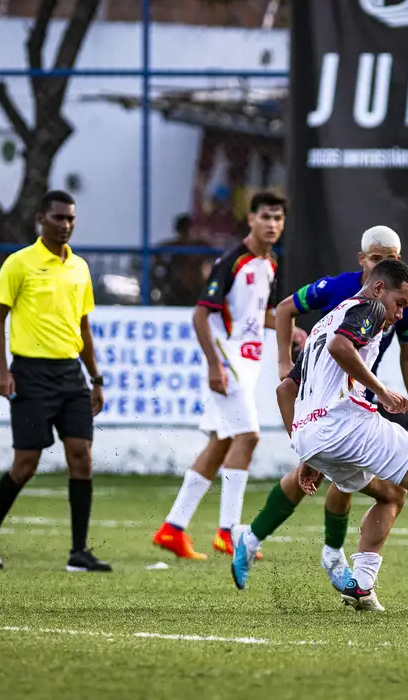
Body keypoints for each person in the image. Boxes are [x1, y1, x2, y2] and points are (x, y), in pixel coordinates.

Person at [231, 260, 408, 613]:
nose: (400, 314)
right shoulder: (368, 307)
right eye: (401, 303)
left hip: (313, 436)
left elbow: (284, 392)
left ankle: (362, 585)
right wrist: (380, 390)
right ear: (381, 289)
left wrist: (307, 452)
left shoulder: (326, 321)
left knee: (391, 495)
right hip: (345, 425)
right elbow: (341, 347)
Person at [260, 224, 408, 591]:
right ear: (362, 260)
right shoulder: (346, 296)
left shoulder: (394, 299)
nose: (399, 312)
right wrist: (286, 363)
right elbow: (289, 312)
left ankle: (338, 560)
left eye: (391, 260)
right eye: (376, 259)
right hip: (341, 408)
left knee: (363, 486)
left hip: (339, 411)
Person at [0, 190, 110, 573]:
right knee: (26, 462)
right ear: (40, 219)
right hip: (30, 373)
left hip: (71, 375)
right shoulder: (19, 263)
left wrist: (95, 378)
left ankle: (78, 553)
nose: (65, 225)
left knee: (81, 456)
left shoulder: (79, 268)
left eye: (70, 219)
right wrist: (2, 370)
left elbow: (83, 326)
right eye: (58, 218)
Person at [152, 191, 285, 559]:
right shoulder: (233, 260)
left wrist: (292, 329)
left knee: (221, 443)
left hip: (248, 362)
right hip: (227, 362)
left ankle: (172, 529)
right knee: (249, 437)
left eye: (278, 218)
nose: (272, 224)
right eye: (266, 217)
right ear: (251, 220)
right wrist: (214, 364)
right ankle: (228, 532)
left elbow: (262, 316)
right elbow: (200, 315)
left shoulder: (270, 264)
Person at [152, 214, 212, 307]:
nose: (186, 233)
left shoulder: (202, 245)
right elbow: (156, 251)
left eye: (187, 229)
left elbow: (215, 255)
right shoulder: (174, 246)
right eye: (183, 230)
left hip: (198, 288)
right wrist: (163, 265)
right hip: (178, 290)